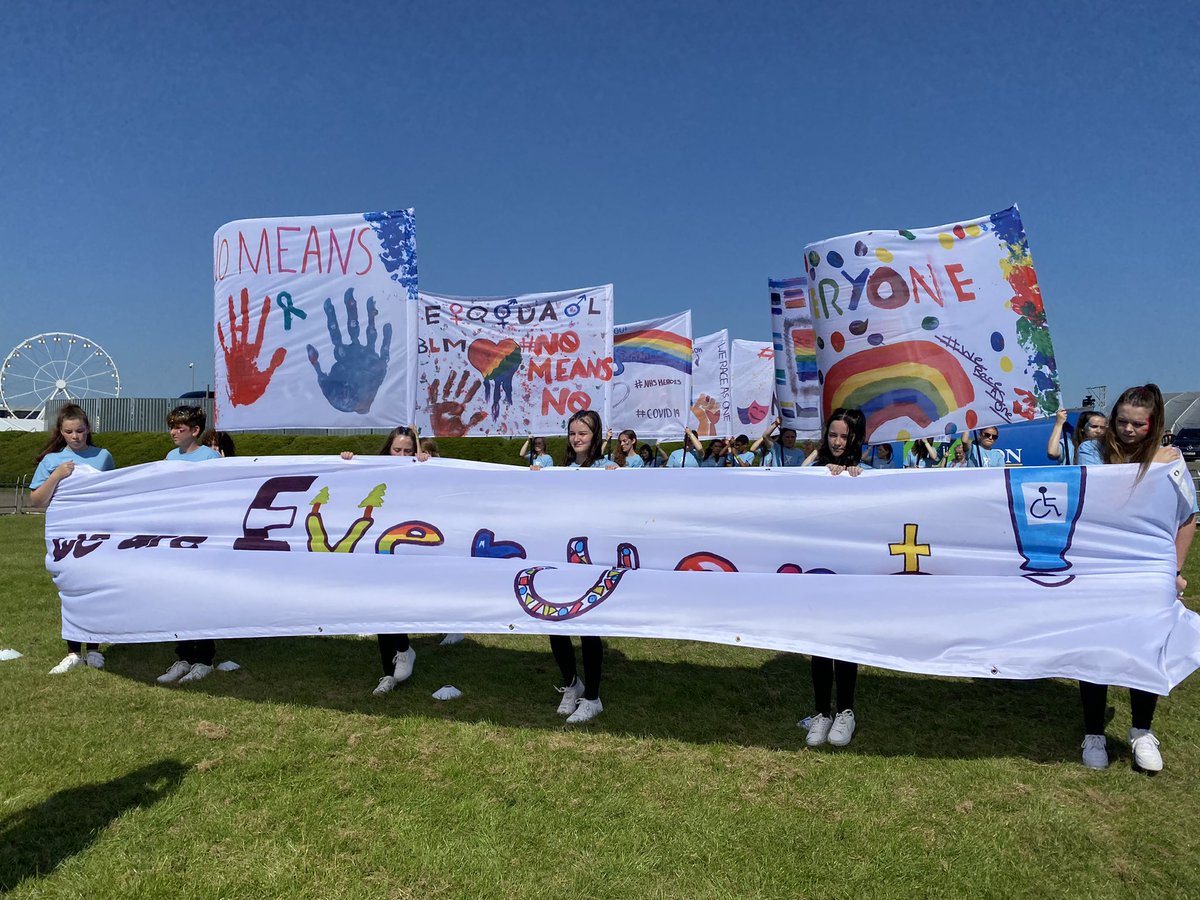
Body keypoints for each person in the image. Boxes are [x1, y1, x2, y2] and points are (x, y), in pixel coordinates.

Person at [1075, 384, 1195, 771]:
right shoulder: (1093, 452)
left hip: (1147, 571)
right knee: (1095, 648)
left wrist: (1174, 571)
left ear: (1154, 424)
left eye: (1138, 425)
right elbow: (1094, 499)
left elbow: (1187, 517)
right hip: (1100, 568)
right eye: (1122, 421)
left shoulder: (1171, 460)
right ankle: (1094, 733)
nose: (1128, 430)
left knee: (1145, 649)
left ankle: (1142, 731)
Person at [341, 426, 432, 694]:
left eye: (407, 451)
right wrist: (348, 462)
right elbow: (349, 486)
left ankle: (403, 649)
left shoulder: (419, 470)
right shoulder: (375, 470)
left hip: (407, 547)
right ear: (387, 449)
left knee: (395, 602)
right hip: (378, 546)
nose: (401, 456)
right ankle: (389, 671)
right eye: (397, 450)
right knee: (379, 604)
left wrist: (424, 461)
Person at [30, 404, 117, 675]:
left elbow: (114, 492)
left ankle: (94, 649)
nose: (75, 436)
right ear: (61, 431)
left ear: (88, 429)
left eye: (79, 430)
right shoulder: (51, 461)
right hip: (65, 535)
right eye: (69, 432)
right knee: (71, 590)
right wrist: (56, 476)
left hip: (96, 533)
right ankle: (73, 652)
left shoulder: (103, 456)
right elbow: (37, 500)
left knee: (95, 588)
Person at [800, 408, 869, 746]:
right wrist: (820, 467)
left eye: (844, 436)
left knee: (844, 641)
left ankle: (845, 712)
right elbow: (792, 487)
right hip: (818, 572)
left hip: (849, 575)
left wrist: (858, 478)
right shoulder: (817, 470)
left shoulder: (865, 473)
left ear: (854, 438)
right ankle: (820, 713)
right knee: (819, 642)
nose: (837, 442)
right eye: (832, 435)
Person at [542, 409, 611, 723]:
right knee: (555, 621)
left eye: (583, 433)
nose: (576, 438)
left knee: (587, 625)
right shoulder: (560, 470)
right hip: (561, 556)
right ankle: (571, 684)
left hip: (592, 558)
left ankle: (593, 697)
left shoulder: (607, 468)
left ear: (595, 436)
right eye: (572, 433)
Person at [157, 406, 222, 685]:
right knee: (179, 596)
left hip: (203, 538)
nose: (173, 432)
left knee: (202, 597)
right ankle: (183, 656)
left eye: (179, 428)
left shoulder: (209, 457)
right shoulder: (170, 457)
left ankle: (204, 659)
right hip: (177, 537)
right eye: (171, 427)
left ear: (195, 431)